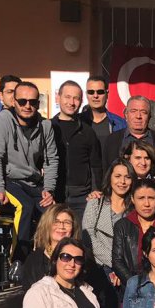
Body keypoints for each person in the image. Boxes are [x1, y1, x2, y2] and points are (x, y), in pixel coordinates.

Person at [0, 81, 61, 261]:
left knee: (53, 213)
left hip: (32, 182)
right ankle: (18, 261)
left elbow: (51, 160)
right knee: (24, 206)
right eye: (22, 101)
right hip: (6, 179)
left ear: (38, 104)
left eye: (32, 102)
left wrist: (49, 190)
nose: (27, 106)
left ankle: (47, 262)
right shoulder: (1, 121)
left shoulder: (45, 126)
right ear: (14, 102)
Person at [53, 80, 102, 216]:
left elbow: (95, 165)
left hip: (82, 198)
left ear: (81, 101)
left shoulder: (87, 131)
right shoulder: (48, 128)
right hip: (55, 196)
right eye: (67, 97)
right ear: (58, 97)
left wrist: (95, 189)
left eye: (76, 98)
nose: (71, 102)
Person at [82, 158, 133, 278]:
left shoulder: (134, 209)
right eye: (118, 176)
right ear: (110, 178)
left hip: (127, 269)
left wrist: (122, 269)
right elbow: (88, 236)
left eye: (127, 177)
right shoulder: (96, 202)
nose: (122, 181)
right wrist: (116, 264)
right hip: (98, 268)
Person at [102, 95, 155, 172]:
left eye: (143, 112)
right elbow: (106, 172)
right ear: (126, 114)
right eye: (133, 111)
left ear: (149, 116)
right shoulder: (112, 140)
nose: (138, 116)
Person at [81, 74, 127, 145]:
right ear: (86, 95)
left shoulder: (120, 124)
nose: (95, 96)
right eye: (91, 92)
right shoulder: (77, 122)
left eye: (100, 92)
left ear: (107, 94)